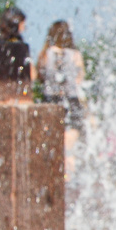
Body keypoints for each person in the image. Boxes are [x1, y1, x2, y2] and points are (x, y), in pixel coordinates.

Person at [35, 20, 86, 178]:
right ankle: (68, 182)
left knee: (53, 147)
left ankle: (53, 179)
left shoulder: (45, 54)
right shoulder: (75, 55)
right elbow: (80, 79)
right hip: (70, 102)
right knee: (68, 149)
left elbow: (39, 76)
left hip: (51, 102)